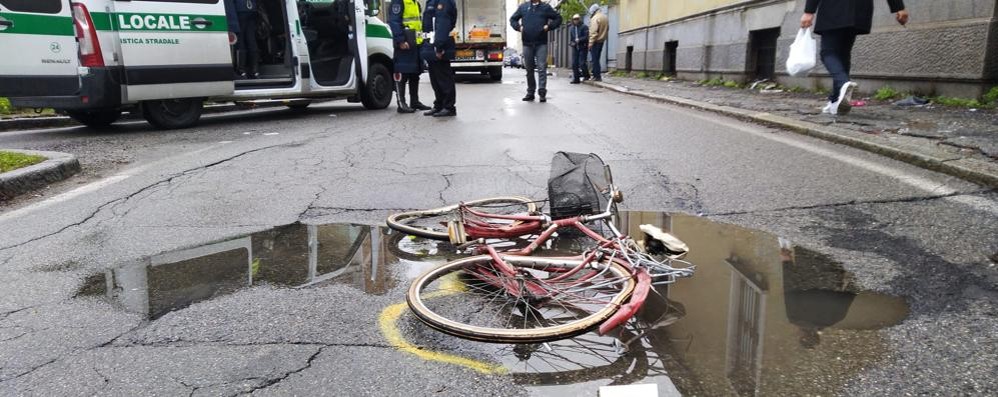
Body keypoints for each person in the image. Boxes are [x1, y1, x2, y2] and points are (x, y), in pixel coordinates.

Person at [802, 0, 908, 115]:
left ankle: (843, 83)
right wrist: (898, 7)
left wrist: (809, 11)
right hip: (859, 9)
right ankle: (836, 100)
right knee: (843, 54)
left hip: (833, 7)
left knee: (828, 52)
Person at [510, 0, 562, 102]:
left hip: (541, 43)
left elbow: (558, 18)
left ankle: (542, 92)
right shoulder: (523, 7)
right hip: (527, 43)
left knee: (542, 68)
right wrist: (519, 27)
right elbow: (512, 19)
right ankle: (530, 92)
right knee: (529, 69)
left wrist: (549, 26)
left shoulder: (545, 7)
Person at [388, 0, 431, 113]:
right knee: (402, 73)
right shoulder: (399, 2)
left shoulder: (414, 2)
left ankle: (415, 101)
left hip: (416, 43)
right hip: (405, 44)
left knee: (415, 73)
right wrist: (400, 40)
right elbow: (394, 21)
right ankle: (401, 104)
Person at [422, 0, 458, 117]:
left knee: (443, 78)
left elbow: (443, 24)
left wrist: (439, 46)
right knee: (435, 79)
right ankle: (439, 105)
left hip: (438, 45)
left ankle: (448, 107)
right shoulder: (431, 1)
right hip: (431, 43)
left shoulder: (443, 2)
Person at [235, 0, 260, 79]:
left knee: (240, 39)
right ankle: (255, 71)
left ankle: (241, 70)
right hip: (252, 9)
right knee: (251, 39)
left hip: (240, 9)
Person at [588, 4, 608, 82]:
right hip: (601, 41)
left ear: (593, 11)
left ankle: (597, 76)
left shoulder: (595, 18)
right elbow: (607, 29)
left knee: (595, 59)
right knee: (597, 58)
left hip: (595, 41)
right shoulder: (604, 17)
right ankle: (596, 74)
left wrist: (590, 43)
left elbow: (593, 32)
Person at [568, 14, 589, 84]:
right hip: (575, 48)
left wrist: (579, 40)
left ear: (579, 19)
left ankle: (586, 75)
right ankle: (576, 79)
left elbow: (586, 37)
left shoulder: (584, 27)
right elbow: (571, 39)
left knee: (582, 63)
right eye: (574, 19)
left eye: (577, 19)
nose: (576, 20)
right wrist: (572, 43)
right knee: (574, 64)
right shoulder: (572, 28)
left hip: (583, 47)